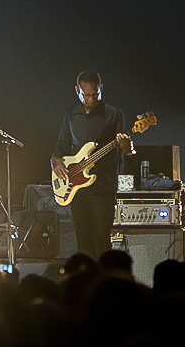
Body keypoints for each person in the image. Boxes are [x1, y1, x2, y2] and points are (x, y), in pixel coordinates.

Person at [51, 71, 133, 259]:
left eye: (95, 94)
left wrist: (128, 149)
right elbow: (61, 146)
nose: (91, 98)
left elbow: (125, 154)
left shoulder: (113, 114)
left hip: (103, 188)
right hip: (77, 188)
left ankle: (104, 284)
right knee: (83, 242)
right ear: (77, 90)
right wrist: (56, 162)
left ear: (101, 88)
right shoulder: (71, 114)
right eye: (86, 94)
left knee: (101, 241)